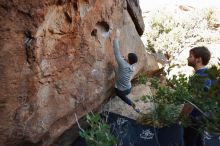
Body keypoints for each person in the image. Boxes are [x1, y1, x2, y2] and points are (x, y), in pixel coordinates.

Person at [182, 46, 212, 146]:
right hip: (203, 117)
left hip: (194, 118)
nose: (188, 58)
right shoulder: (208, 75)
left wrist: (181, 117)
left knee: (190, 142)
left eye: (190, 56)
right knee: (199, 142)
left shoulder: (198, 77)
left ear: (198, 59)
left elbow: (192, 102)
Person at [112, 29, 139, 112]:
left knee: (118, 92)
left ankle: (129, 102)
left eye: (126, 56)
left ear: (128, 60)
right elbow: (126, 61)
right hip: (128, 88)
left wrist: (116, 37)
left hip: (122, 90)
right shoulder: (132, 67)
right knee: (119, 72)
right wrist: (125, 59)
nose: (125, 56)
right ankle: (132, 104)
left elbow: (116, 52)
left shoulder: (123, 64)